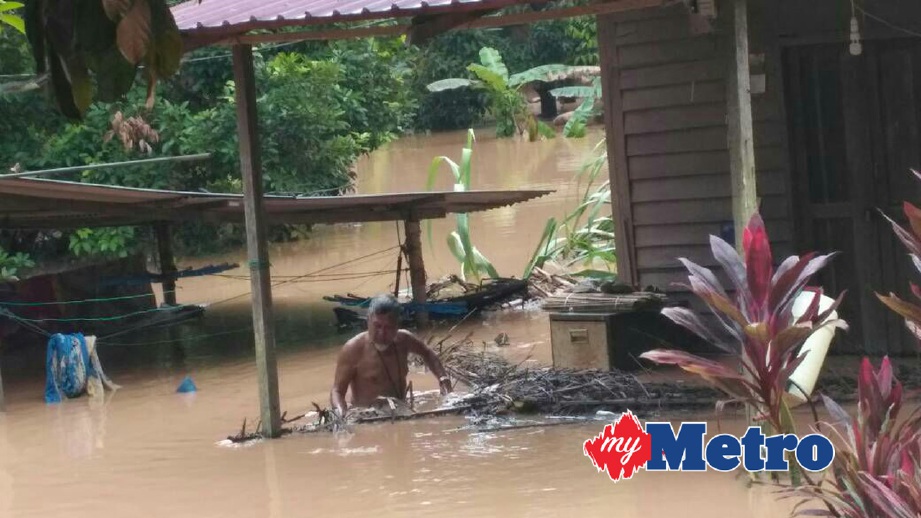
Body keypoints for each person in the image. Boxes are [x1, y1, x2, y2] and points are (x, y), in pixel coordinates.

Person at [330, 294, 453, 417]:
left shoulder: (404, 339)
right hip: (369, 417)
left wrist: (443, 379)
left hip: (401, 409)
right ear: (368, 320)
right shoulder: (352, 349)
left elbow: (427, 353)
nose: (382, 333)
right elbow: (337, 391)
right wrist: (341, 414)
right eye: (377, 326)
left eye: (388, 327)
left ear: (397, 325)